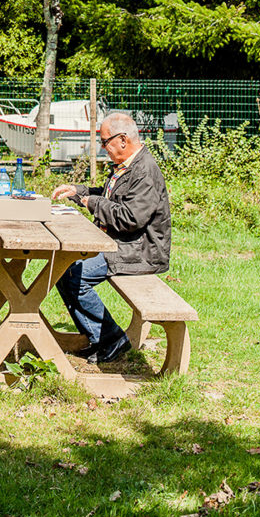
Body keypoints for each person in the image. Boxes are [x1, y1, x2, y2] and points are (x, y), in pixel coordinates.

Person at [51, 111, 171, 364]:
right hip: (120, 244)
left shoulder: (145, 171)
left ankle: (112, 339)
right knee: (63, 270)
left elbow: (130, 218)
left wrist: (91, 201)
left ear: (123, 140)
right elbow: (110, 198)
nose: (103, 147)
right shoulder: (128, 166)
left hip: (139, 251)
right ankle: (100, 338)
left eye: (105, 142)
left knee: (74, 276)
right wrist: (79, 191)